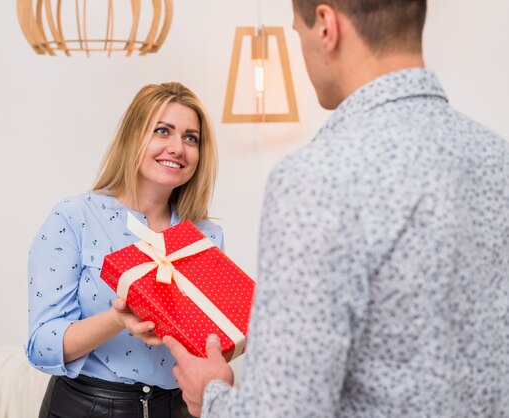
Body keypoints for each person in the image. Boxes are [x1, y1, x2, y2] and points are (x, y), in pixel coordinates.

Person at [164, 1, 509, 416]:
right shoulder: (497, 160)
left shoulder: (317, 177)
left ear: (326, 26)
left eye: (298, 33)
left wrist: (213, 397)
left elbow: (287, 411)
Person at [26, 82, 223, 418]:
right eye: (163, 131)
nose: (178, 147)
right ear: (134, 136)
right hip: (84, 408)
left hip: (175, 408)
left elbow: (210, 345)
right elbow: (41, 346)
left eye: (191, 138)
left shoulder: (205, 236)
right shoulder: (75, 217)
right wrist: (117, 318)